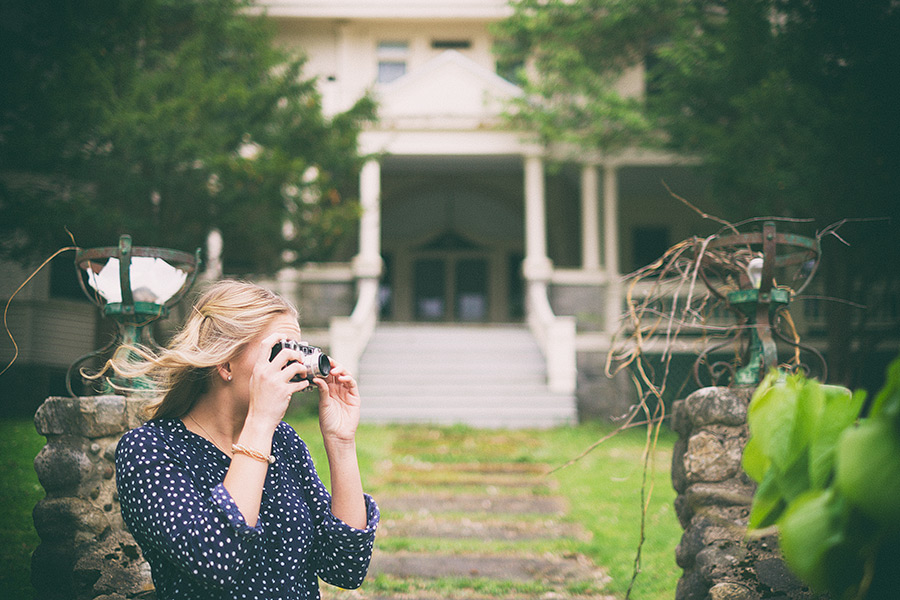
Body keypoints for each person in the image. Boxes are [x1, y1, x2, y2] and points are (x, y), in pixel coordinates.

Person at [110, 279, 379, 600]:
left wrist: (341, 441)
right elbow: (215, 560)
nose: (293, 366)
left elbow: (345, 567)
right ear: (225, 363)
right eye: (280, 351)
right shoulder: (150, 449)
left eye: (298, 351)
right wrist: (261, 423)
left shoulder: (284, 443)